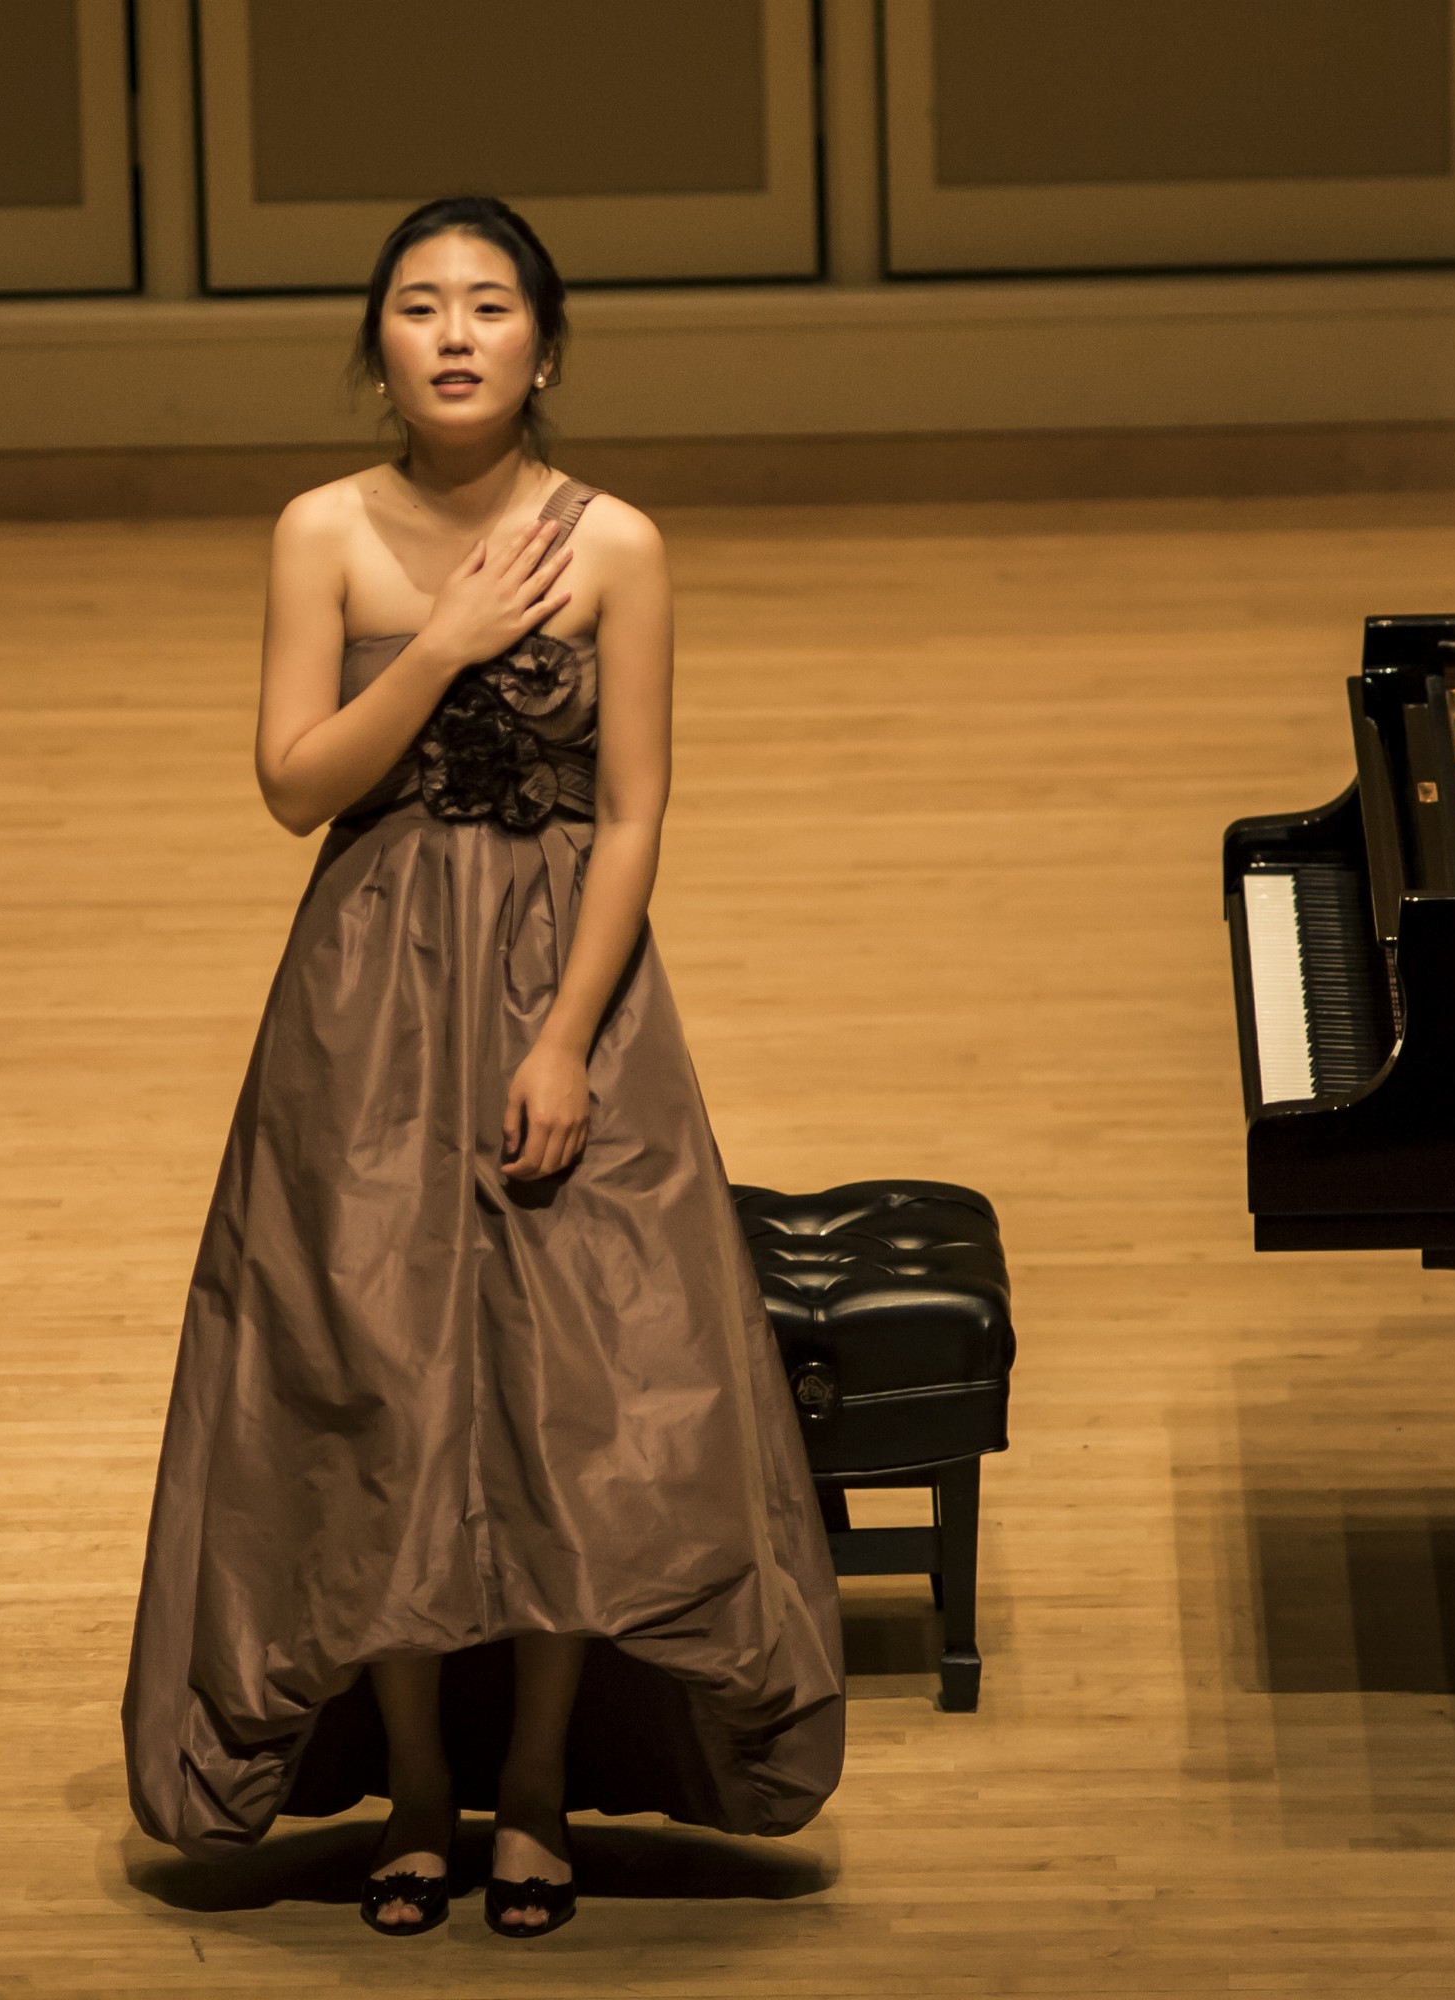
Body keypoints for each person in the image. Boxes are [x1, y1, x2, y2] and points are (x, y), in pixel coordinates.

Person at [121, 195, 844, 1941]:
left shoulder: (619, 545)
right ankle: (417, 1788)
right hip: (366, 1000)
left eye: (492, 304)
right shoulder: (321, 532)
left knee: (572, 1397)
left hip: (561, 991)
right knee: (374, 1382)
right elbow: (296, 785)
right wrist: (441, 644)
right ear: (375, 347)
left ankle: (531, 1784)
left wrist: (567, 1040)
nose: (455, 334)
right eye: (421, 306)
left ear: (544, 343)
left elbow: (635, 810)